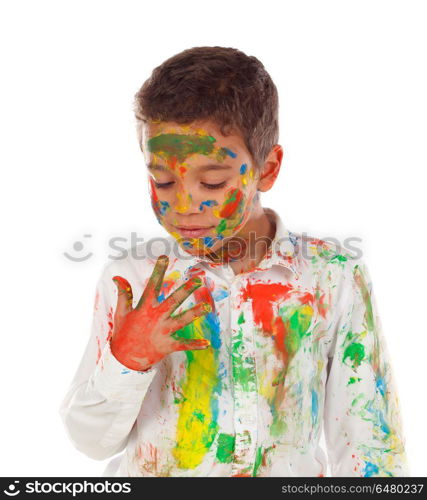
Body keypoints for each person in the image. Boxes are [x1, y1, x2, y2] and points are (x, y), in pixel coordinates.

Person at [59, 46, 410, 477]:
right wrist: (128, 358)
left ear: (267, 168)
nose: (184, 204)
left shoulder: (331, 276)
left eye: (212, 181)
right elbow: (90, 442)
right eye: (163, 181)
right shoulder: (133, 279)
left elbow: (371, 443)